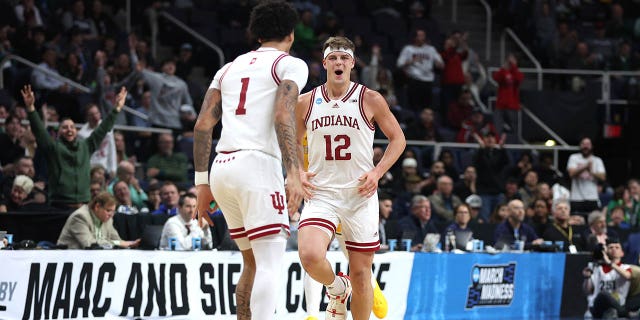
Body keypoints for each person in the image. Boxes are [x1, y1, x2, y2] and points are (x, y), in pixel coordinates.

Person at [192, 2, 307, 319]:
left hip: (221, 168)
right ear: (291, 33)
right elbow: (283, 113)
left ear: (256, 34)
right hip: (256, 166)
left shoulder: (227, 68)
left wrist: (201, 184)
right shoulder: (289, 64)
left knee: (252, 263)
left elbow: (203, 125)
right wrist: (294, 172)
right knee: (270, 262)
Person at [295, 35, 405, 320]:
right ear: (324, 64)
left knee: (360, 273)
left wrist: (377, 171)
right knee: (308, 254)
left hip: (359, 195)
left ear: (353, 63)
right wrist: (295, 170)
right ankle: (335, 287)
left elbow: (398, 139)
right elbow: (291, 141)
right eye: (333, 58)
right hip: (322, 193)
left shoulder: (369, 98)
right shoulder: (306, 102)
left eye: (344, 58)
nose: (338, 62)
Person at [22, 84, 128, 210]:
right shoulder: (53, 148)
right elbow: (39, 131)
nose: (69, 130)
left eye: (72, 127)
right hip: (59, 206)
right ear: (59, 131)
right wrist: (30, 108)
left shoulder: (86, 146)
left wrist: (116, 109)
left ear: (76, 131)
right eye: (65, 127)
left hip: (83, 207)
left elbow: (103, 129)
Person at [57, 192, 140, 249]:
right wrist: (119, 243)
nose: (111, 215)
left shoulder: (108, 220)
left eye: (113, 211)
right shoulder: (80, 217)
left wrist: (131, 244)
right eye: (108, 210)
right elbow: (90, 245)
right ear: (97, 206)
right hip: (68, 260)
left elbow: (117, 240)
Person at [396, 28, 443, 112]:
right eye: (420, 35)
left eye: (423, 35)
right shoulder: (408, 49)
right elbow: (399, 63)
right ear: (415, 38)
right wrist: (412, 61)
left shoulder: (430, 49)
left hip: (428, 81)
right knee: (414, 107)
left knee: (426, 107)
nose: (422, 38)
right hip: (414, 81)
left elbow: (441, 64)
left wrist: (438, 64)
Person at [583, 238, 632, 318]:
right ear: (605, 252)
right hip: (598, 307)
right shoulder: (596, 268)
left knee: (608, 299)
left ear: (622, 253)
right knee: (603, 294)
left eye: (617, 247)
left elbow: (627, 276)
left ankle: (614, 313)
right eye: (610, 247)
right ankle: (624, 313)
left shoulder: (625, 267)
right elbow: (587, 291)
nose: (614, 249)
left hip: (617, 305)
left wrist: (610, 263)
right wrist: (587, 277)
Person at [567, 137, 606, 216]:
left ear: (592, 146)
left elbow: (603, 177)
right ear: (580, 146)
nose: (586, 146)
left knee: (593, 222)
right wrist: (585, 167)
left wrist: (591, 171)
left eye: (588, 144)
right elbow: (571, 174)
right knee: (576, 222)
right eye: (583, 144)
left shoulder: (597, 160)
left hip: (592, 198)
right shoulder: (574, 158)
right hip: (576, 198)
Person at [77, 103, 117, 177]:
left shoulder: (106, 126)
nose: (95, 116)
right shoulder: (81, 134)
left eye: (97, 113)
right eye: (92, 114)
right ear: (87, 117)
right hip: (91, 168)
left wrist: (113, 168)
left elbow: (112, 148)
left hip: (106, 168)